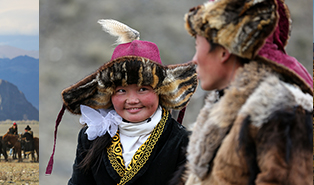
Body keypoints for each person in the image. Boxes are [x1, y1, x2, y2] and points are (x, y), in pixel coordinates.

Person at [182, 0, 313, 183]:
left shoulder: (282, 114)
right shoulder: (221, 108)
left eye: (197, 46)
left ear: (223, 51)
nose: (194, 60)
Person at [58, 19, 196, 184]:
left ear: (161, 91)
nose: (132, 100)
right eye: (121, 91)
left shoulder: (182, 142)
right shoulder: (90, 138)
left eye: (143, 89)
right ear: (109, 95)